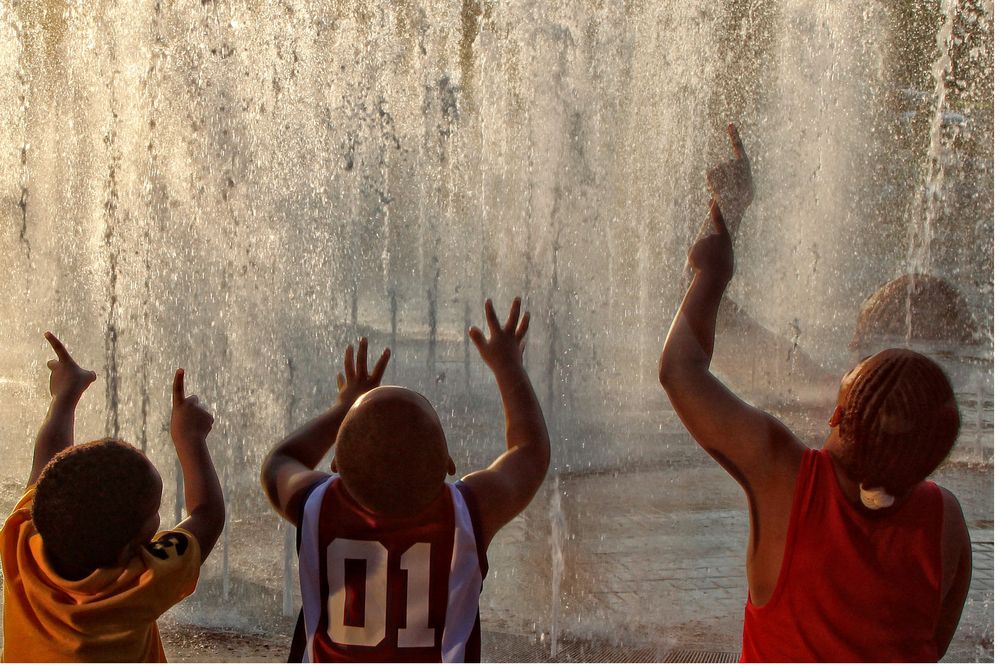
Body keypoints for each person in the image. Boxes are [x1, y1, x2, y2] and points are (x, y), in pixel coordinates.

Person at [658, 126, 972, 662]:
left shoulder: (785, 477)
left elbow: (683, 365)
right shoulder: (945, 525)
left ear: (839, 408)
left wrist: (725, 229)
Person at [261, 297, 550, 662]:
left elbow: (279, 462)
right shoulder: (468, 514)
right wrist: (508, 366)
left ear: (335, 463)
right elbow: (530, 452)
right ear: (448, 463)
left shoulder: (315, 504)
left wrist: (341, 411)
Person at [1, 332, 225, 662]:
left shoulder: (21, 540)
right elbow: (207, 515)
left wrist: (65, 395)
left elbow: (48, 457)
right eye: (154, 510)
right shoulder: (139, 582)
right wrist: (190, 438)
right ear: (129, 548)